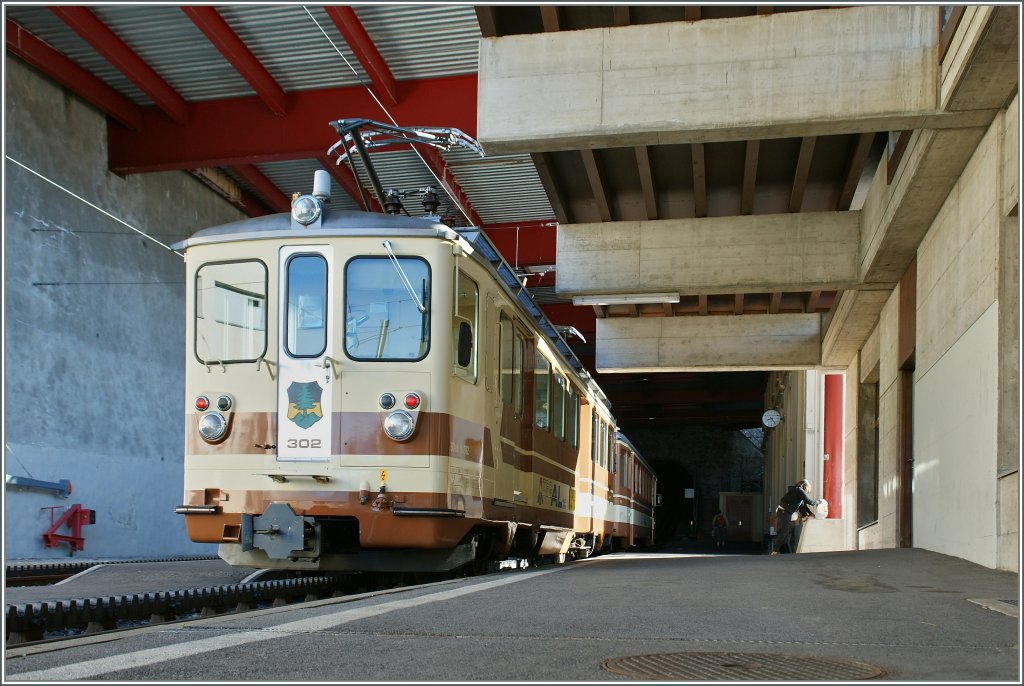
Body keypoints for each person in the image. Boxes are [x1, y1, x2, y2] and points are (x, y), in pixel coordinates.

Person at [772, 480, 821, 554]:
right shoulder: (799, 490)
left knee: (785, 533)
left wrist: (810, 513)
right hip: (784, 512)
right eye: (807, 491)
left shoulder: (796, 491)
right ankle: (775, 550)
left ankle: (777, 549)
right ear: (805, 487)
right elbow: (809, 502)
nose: (806, 493)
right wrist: (819, 501)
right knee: (784, 533)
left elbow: (803, 505)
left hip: (784, 512)